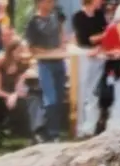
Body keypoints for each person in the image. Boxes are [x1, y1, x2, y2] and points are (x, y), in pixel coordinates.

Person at [24, 0, 67, 141]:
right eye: (48, 1)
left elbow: (61, 34)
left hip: (59, 62)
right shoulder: (33, 22)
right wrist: (49, 52)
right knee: (50, 98)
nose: (51, 3)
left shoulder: (56, 16)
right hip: (45, 63)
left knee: (59, 97)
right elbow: (31, 46)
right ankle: (49, 132)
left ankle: (55, 131)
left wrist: (62, 46)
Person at [71, 0, 107, 136]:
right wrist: (102, 36)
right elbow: (86, 38)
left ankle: (90, 127)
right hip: (84, 54)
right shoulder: (78, 16)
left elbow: (103, 33)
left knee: (93, 92)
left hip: (99, 54)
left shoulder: (99, 14)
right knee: (82, 91)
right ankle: (79, 127)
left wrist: (99, 45)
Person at [0, 38, 32, 143]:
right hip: (1, 95)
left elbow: (21, 86)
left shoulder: (23, 66)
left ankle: (20, 130)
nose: (20, 53)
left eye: (21, 51)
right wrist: (9, 96)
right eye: (18, 51)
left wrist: (15, 95)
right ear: (11, 51)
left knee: (23, 102)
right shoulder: (0, 67)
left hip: (17, 95)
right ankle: (5, 127)